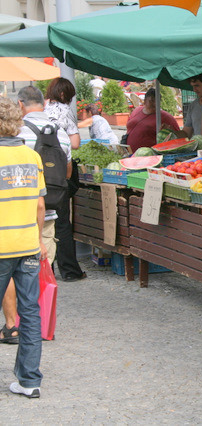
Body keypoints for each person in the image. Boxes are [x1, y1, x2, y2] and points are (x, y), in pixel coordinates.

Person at [0, 95, 46, 398]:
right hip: (28, 244)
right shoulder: (32, 157)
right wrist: (39, 239)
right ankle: (30, 381)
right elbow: (40, 205)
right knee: (30, 313)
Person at [43, 80, 86, 283]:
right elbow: (75, 143)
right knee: (61, 223)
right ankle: (69, 270)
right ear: (64, 95)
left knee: (44, 222)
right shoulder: (65, 110)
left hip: (40, 172)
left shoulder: (42, 109)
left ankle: (47, 271)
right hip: (59, 172)